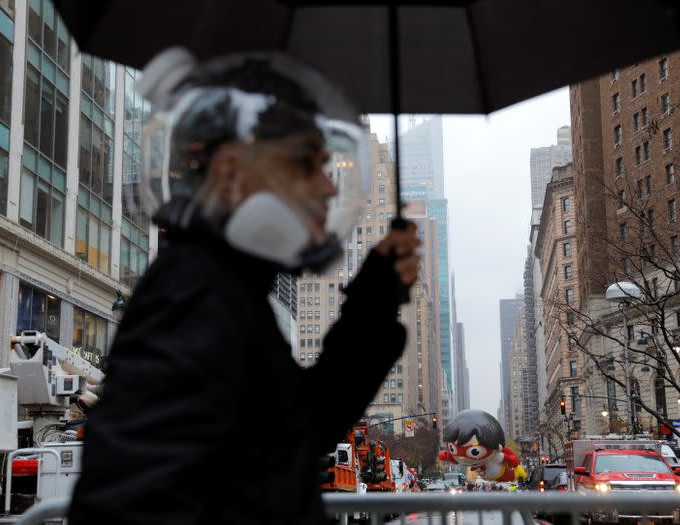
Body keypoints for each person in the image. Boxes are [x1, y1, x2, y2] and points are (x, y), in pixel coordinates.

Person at [67, 49, 420, 525]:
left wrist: (374, 300)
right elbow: (133, 503)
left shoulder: (230, 288)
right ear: (231, 171)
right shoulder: (194, 294)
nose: (329, 188)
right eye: (306, 165)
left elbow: (294, 434)